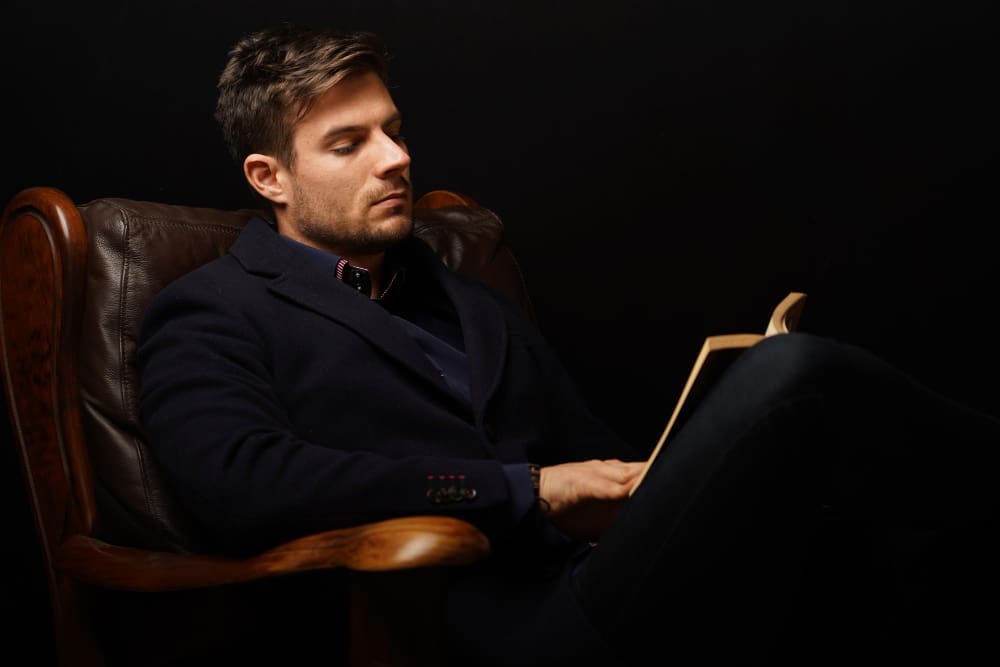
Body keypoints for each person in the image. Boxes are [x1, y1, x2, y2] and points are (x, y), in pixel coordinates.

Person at [136, 23, 1000, 666]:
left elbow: (595, 456)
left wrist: (651, 479)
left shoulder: (471, 299)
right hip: (471, 624)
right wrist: (523, 492)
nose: (394, 158)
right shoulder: (210, 311)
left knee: (888, 541)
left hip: (607, 580)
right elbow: (243, 484)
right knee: (793, 375)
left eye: (394, 128)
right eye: (349, 142)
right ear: (270, 177)